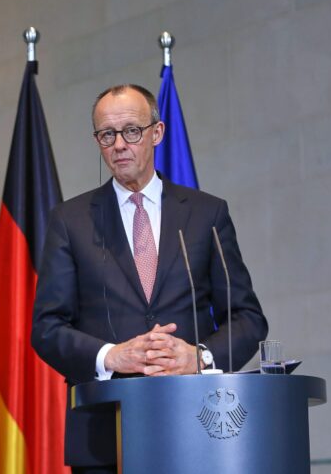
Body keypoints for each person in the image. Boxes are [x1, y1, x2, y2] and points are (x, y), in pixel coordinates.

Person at [31, 85, 267, 472]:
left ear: (156, 132)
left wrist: (199, 357)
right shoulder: (70, 221)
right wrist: (111, 356)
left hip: (198, 426)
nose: (119, 145)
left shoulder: (206, 214)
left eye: (131, 131)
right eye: (107, 135)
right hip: (106, 433)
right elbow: (47, 327)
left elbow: (247, 319)